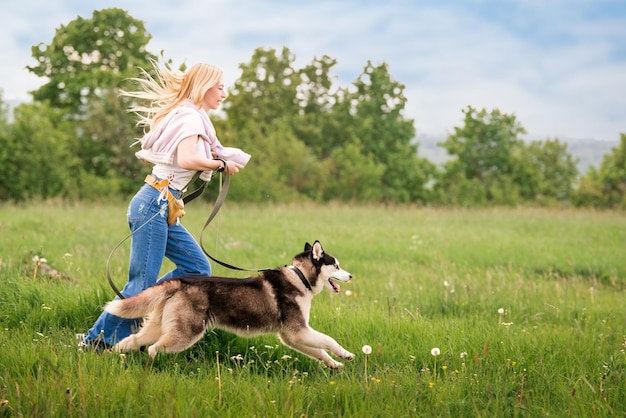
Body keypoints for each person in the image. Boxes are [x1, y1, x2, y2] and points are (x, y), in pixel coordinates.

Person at [78, 61, 250, 349]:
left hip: (164, 206)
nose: (224, 93)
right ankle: (95, 340)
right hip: (153, 205)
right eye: (220, 87)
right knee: (141, 286)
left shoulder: (190, 116)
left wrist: (221, 158)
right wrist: (219, 164)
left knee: (196, 268)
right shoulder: (191, 119)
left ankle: (143, 316)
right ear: (204, 87)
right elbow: (186, 160)